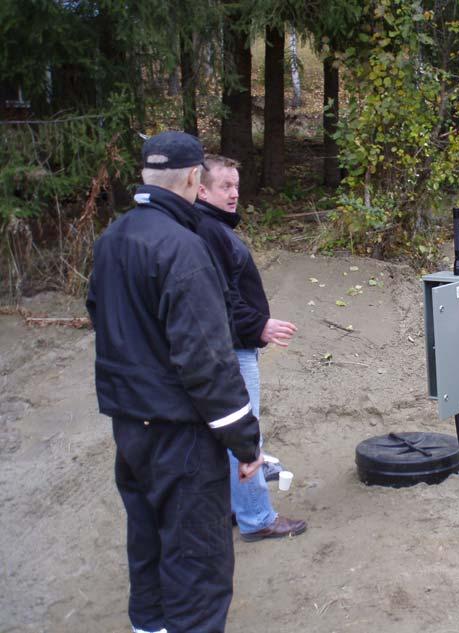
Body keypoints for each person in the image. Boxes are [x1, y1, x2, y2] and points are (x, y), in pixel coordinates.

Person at [86, 132, 263, 633]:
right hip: (180, 437)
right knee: (197, 566)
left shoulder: (112, 239)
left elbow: (101, 316)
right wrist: (245, 443)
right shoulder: (184, 249)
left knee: (147, 545)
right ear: (192, 178)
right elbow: (206, 361)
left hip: (130, 430)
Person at [195, 154, 307, 542]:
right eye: (225, 186)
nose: (233, 194)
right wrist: (257, 325)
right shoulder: (209, 231)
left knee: (227, 434)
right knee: (245, 434)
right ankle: (257, 517)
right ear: (201, 188)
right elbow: (221, 298)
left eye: (236, 186)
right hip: (234, 349)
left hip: (234, 345)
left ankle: (233, 507)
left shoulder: (214, 228)